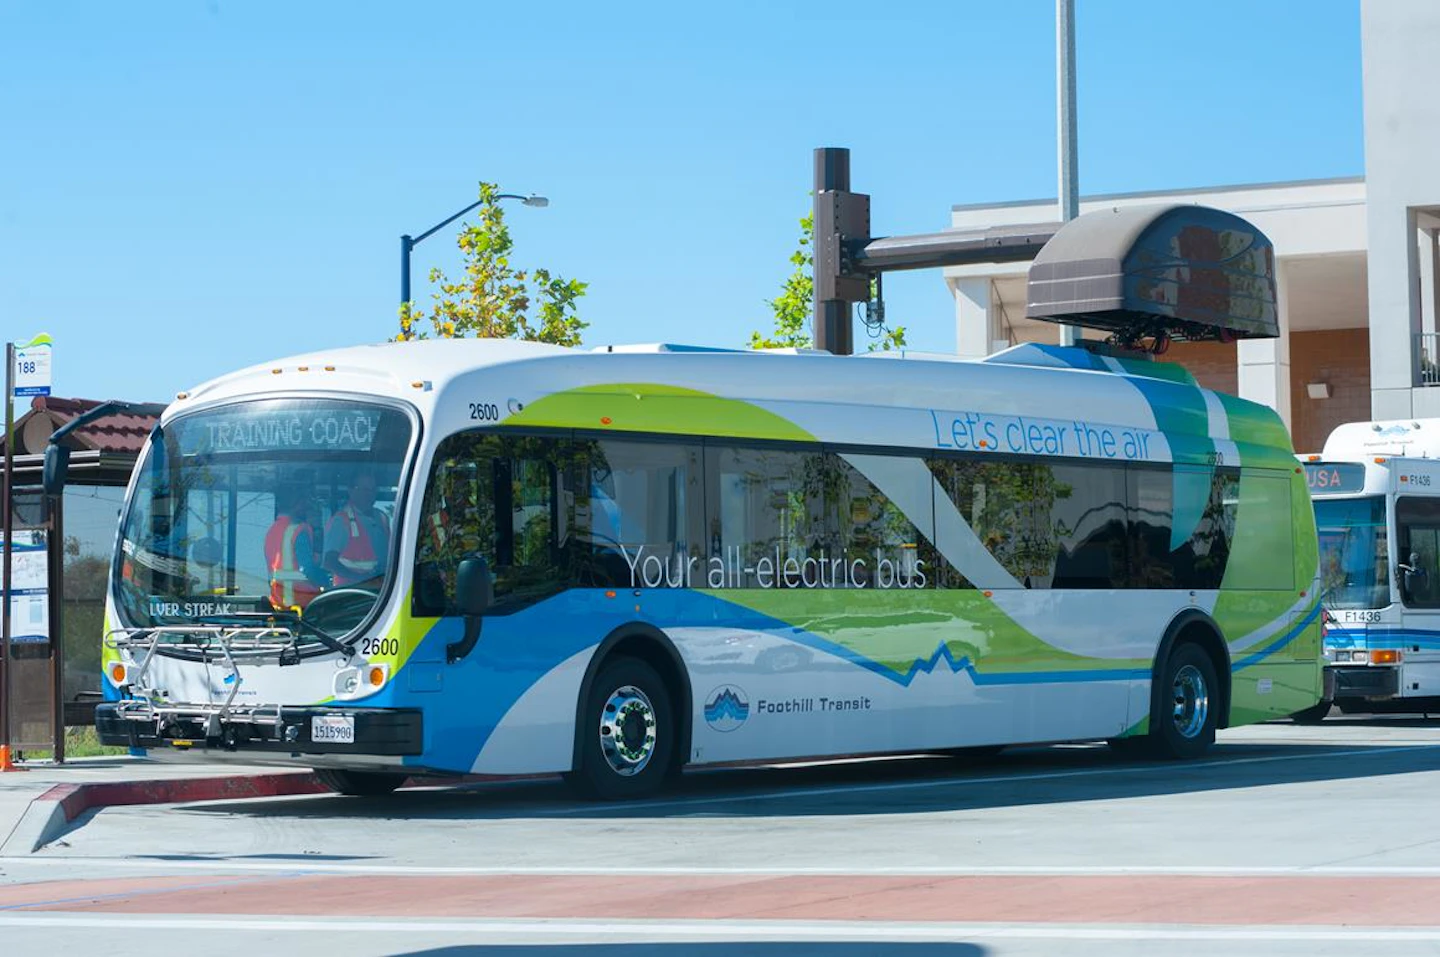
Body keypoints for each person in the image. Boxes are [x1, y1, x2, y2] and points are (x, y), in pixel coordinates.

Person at [265, 489, 331, 611]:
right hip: (303, 606)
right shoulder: (299, 530)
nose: (306, 507)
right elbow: (307, 568)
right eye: (304, 502)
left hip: (278, 605)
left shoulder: (272, 531)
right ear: (295, 504)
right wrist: (328, 583)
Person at [324, 470, 392, 588]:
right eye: (364, 489)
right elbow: (329, 562)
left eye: (372, 490)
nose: (369, 494)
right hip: (351, 595)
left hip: (384, 591)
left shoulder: (382, 517)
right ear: (351, 491)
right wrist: (363, 581)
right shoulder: (341, 521)